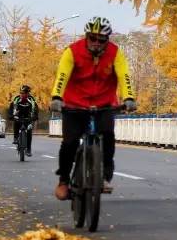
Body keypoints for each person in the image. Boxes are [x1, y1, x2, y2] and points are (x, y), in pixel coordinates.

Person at [50, 17, 136, 199]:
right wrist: (57, 98)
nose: (96, 43)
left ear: (107, 40)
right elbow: (62, 76)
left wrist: (129, 97)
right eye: (92, 38)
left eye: (102, 40)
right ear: (86, 36)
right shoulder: (72, 51)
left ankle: (105, 173)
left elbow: (124, 76)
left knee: (108, 135)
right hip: (75, 105)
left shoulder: (115, 53)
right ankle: (64, 180)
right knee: (70, 142)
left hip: (104, 104)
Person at [10, 85, 39, 154]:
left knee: (29, 131)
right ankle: (16, 137)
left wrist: (35, 116)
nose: (22, 94)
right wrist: (11, 115)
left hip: (28, 117)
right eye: (21, 92)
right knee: (16, 122)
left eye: (24, 93)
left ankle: (28, 149)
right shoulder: (16, 99)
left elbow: (35, 109)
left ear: (28, 93)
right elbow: (11, 108)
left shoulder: (32, 100)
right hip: (18, 116)